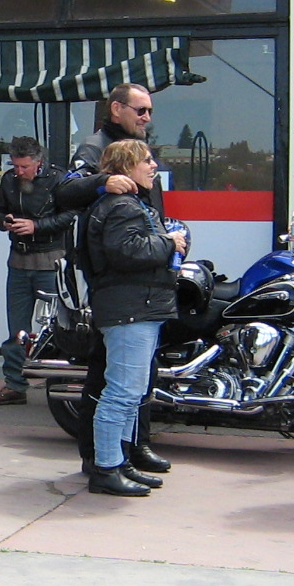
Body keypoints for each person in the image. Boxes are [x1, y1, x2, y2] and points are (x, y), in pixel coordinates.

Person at [58, 82, 173, 475]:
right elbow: (64, 190)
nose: (147, 117)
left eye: (150, 111)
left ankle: (132, 448)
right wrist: (100, 182)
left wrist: (168, 236)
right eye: (140, 110)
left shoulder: (140, 149)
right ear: (116, 109)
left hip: (142, 287)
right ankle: (99, 458)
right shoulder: (96, 148)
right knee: (109, 376)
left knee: (139, 376)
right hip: (119, 286)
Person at [77, 139, 186, 497]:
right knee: (122, 392)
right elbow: (126, 251)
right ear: (126, 166)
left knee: (131, 391)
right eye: (147, 160)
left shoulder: (126, 203)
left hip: (137, 307)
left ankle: (119, 461)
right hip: (130, 310)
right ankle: (107, 468)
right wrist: (170, 242)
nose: (154, 166)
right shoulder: (122, 205)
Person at [0, 137, 70, 406]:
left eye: (24, 166)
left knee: (60, 328)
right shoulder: (9, 180)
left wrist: (36, 226)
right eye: (16, 166)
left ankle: (63, 382)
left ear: (38, 162)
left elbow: (71, 216)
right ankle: (14, 384)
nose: (19, 171)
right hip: (19, 261)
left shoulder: (58, 179)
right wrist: (4, 221)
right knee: (17, 329)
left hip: (50, 261)